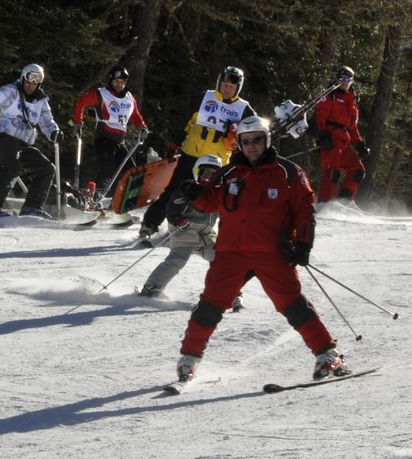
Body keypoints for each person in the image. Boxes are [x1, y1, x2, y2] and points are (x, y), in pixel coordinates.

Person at [173, 115, 348, 383]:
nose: (252, 146)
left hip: (272, 252)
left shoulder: (288, 172)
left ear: (266, 141)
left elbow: (304, 211)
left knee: (292, 305)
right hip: (231, 253)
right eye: (246, 141)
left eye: (257, 140)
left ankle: (327, 354)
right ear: (239, 144)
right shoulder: (227, 174)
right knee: (209, 305)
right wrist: (195, 193)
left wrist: (303, 244)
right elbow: (210, 201)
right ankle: (189, 360)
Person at [138, 65, 256, 244]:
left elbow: (254, 133)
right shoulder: (204, 97)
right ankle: (149, 225)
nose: (226, 88)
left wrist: (237, 138)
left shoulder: (244, 109)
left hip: (217, 162)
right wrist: (174, 142)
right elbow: (182, 119)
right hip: (192, 154)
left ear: (237, 88)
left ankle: (205, 231)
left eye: (230, 87)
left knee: (214, 198)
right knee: (175, 190)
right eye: (223, 84)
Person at [138, 154, 240, 311]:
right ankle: (152, 287)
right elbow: (171, 208)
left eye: (213, 174)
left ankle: (229, 292)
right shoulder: (187, 189)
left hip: (205, 232)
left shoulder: (218, 193)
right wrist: (178, 220)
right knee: (177, 259)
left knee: (220, 256)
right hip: (184, 230)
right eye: (204, 173)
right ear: (196, 172)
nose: (208, 178)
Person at [0, 62, 62, 219]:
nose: (31, 86)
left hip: (23, 142)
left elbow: (47, 122)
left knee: (47, 168)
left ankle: (32, 207)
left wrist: (54, 133)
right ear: (23, 78)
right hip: (5, 136)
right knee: (12, 166)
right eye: (28, 81)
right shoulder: (10, 91)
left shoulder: (41, 101)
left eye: (35, 83)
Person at [70, 65, 149, 199]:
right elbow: (81, 101)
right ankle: (95, 196)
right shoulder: (102, 94)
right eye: (117, 81)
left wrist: (142, 127)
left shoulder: (129, 97)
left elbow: (135, 115)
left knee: (130, 170)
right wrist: (78, 122)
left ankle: (126, 200)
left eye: (122, 82)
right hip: (104, 137)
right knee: (106, 167)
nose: (120, 85)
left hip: (119, 140)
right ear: (111, 81)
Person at [313, 66, 368, 205]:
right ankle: (324, 204)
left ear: (351, 81)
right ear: (337, 79)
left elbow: (352, 127)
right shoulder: (330, 95)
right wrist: (323, 135)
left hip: (344, 142)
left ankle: (345, 202)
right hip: (331, 140)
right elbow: (320, 116)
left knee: (358, 170)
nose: (344, 82)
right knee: (332, 172)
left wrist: (359, 144)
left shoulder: (352, 100)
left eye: (347, 79)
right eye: (341, 78)